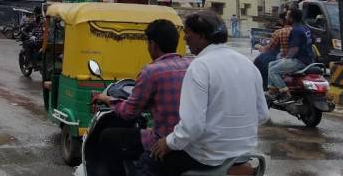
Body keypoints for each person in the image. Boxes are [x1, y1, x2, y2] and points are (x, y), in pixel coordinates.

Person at [148, 11, 269, 176]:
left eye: (188, 33)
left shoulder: (200, 66)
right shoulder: (248, 65)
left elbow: (192, 127)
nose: (185, 39)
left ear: (202, 36)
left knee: (148, 161)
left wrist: (168, 143)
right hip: (243, 155)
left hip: (207, 158)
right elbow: (262, 115)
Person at [91, 20, 189, 176]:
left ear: (153, 44)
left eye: (148, 43)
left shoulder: (151, 72)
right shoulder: (191, 65)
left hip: (163, 140)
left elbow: (129, 112)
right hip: (189, 140)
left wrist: (106, 99)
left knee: (107, 137)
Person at [267, 7, 313, 102]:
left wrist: (286, 59)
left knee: (273, 70)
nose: (286, 17)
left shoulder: (295, 30)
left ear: (291, 18)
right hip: (307, 59)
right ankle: (272, 90)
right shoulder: (305, 28)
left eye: (287, 15)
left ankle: (285, 93)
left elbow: (294, 49)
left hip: (299, 61)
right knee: (271, 64)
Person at [254, 12, 292, 90]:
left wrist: (259, 47)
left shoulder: (280, 32)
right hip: (298, 59)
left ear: (282, 20)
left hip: (283, 58)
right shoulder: (301, 30)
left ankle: (265, 87)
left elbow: (269, 48)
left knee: (260, 61)